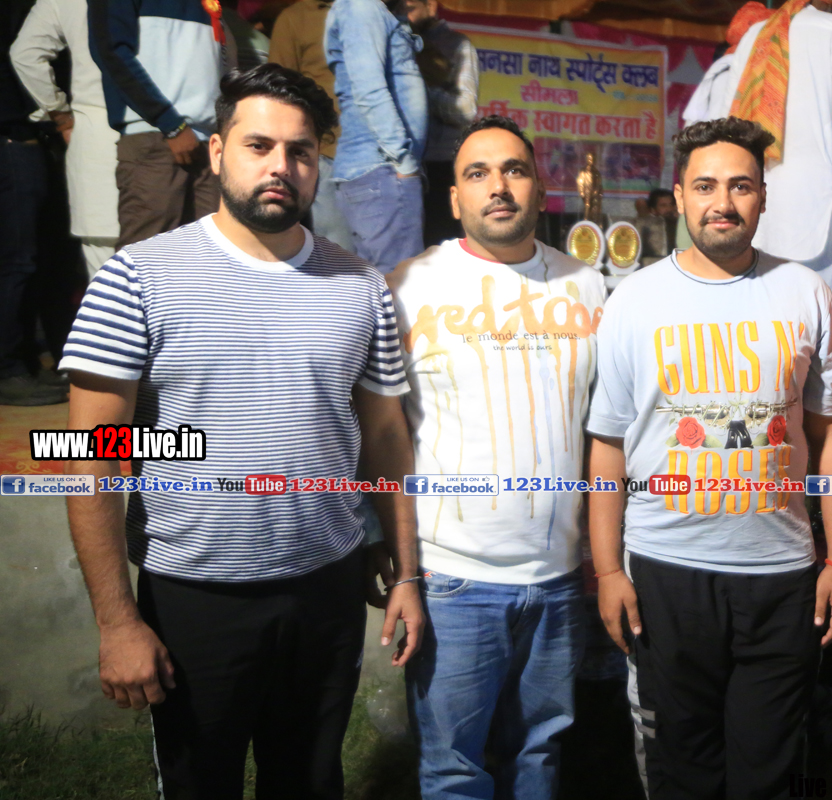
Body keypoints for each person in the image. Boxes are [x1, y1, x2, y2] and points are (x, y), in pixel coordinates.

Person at [59, 64, 424, 798]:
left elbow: (385, 436)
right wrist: (117, 622)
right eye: (260, 146)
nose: (280, 167)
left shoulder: (360, 288)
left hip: (326, 592)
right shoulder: (137, 278)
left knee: (311, 782)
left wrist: (405, 568)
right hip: (195, 598)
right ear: (219, 150)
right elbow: (87, 458)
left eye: (300, 151)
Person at [588, 117, 832, 799]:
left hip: (781, 576)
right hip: (666, 572)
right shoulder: (634, 300)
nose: (723, 202)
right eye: (705, 186)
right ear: (679, 195)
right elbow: (608, 445)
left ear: (763, 196)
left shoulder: (805, 292)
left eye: (741, 186)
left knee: (770, 770)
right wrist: (608, 570)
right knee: (683, 770)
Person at [388, 115, 606, 800]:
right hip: (454, 580)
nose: (498, 186)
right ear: (455, 199)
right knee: (454, 771)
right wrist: (402, 569)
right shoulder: (408, 287)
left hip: (560, 580)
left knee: (540, 756)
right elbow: (383, 438)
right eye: (477, 173)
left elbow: (606, 434)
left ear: (540, 186)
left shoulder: (588, 286)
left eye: (514, 169)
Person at [722, 0, 832, 301]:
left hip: (755, 193)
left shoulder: (754, 36)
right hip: (813, 196)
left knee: (758, 302)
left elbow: (729, 115)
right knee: (812, 305)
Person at [88, 0, 236, 250]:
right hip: (157, 138)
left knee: (209, 257)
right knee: (146, 256)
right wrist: (169, 123)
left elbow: (220, 64)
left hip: (209, 142)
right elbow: (111, 52)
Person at [0, 0, 76, 406]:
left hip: (27, 136)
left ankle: (26, 361)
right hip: (14, 137)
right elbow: (20, 56)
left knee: (36, 259)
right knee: (19, 261)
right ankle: (9, 369)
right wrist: (52, 115)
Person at [11, 0, 121, 281]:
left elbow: (25, 53)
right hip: (169, 138)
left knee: (106, 277)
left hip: (96, 138)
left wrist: (60, 114)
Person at [326, 0, 428, 272]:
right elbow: (369, 91)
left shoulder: (369, 9)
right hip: (383, 168)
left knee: (379, 283)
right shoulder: (363, 6)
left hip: (381, 169)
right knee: (401, 282)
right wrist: (404, 163)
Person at [268, 0, 356, 250]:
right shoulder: (294, 18)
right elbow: (280, 93)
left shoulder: (371, 9)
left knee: (388, 257)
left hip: (382, 155)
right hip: (329, 151)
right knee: (338, 249)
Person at [406, 0, 478, 248]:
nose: (403, 13)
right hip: (405, 165)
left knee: (439, 247)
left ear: (431, 6)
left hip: (441, 165)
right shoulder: (398, 42)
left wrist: (420, 91)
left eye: (410, 7)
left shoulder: (457, 45)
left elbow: (465, 110)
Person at [638, 188, 678, 265]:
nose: (669, 209)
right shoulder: (645, 224)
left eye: (671, 205)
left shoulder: (680, 224)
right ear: (653, 209)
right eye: (663, 205)